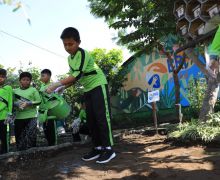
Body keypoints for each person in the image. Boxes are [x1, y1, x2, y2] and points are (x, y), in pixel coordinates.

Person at [46, 27, 116, 164]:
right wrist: (62, 88)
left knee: (101, 117)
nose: (67, 47)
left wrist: (56, 84)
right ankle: (97, 148)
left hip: (98, 85)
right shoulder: (69, 59)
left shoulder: (83, 54)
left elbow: (77, 74)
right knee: (91, 119)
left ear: (78, 42)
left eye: (70, 44)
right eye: (65, 44)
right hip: (88, 88)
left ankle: (109, 149)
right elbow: (75, 78)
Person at [14, 72, 41, 151]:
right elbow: (10, 102)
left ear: (30, 81)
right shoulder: (14, 91)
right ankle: (20, 154)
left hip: (31, 117)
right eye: (23, 80)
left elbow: (39, 101)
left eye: (28, 80)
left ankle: (32, 154)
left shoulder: (33, 90)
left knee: (31, 138)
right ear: (20, 81)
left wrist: (29, 103)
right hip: (18, 117)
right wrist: (16, 104)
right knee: (19, 137)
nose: (26, 81)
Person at [39, 69, 57, 146]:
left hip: (50, 111)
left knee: (51, 129)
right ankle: (50, 146)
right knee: (46, 129)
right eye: (41, 76)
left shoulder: (53, 85)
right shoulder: (42, 86)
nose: (41, 77)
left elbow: (55, 97)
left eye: (43, 75)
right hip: (43, 112)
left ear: (49, 76)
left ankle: (54, 147)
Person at [0, 68, 13, 154]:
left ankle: (5, 153)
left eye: (2, 77)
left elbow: (10, 102)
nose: (0, 78)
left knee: (4, 136)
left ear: (5, 78)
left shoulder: (8, 88)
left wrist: (9, 114)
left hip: (4, 116)